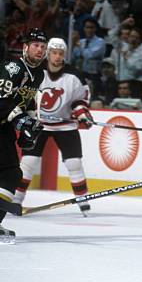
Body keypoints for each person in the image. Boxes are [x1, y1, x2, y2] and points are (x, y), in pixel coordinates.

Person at [13, 38, 93, 216]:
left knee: (74, 163)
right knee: (28, 162)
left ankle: (83, 200)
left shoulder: (74, 76)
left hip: (65, 126)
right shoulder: (35, 72)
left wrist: (81, 114)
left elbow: (79, 101)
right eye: (54, 52)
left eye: (61, 53)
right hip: (39, 124)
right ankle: (16, 200)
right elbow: (25, 95)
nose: (57, 57)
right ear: (48, 53)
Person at [0, 29, 48, 243]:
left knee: (11, 174)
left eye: (43, 47)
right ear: (25, 47)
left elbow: (27, 101)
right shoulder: (13, 68)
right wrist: (21, 121)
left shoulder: (39, 74)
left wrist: (31, 120)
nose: (40, 50)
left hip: (3, 128)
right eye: (36, 45)